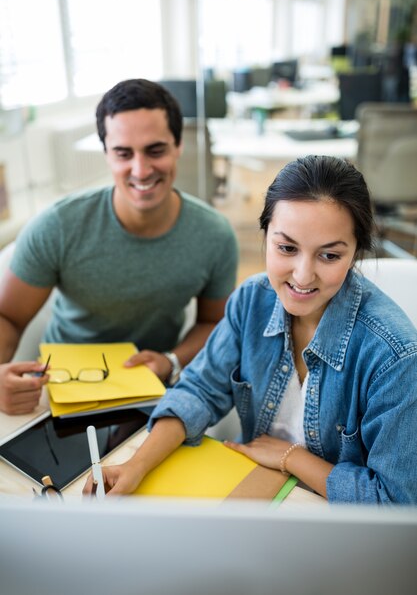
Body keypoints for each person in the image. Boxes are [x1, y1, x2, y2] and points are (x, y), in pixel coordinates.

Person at [84, 155, 417, 504]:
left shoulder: (396, 357)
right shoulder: (252, 301)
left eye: (329, 256)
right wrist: (135, 466)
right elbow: (198, 390)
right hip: (256, 496)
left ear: (356, 252)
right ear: (266, 234)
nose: (302, 276)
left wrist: (292, 458)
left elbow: (396, 502)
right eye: (287, 248)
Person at [0, 78, 238, 415]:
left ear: (178, 145)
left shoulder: (214, 234)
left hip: (152, 394)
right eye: (123, 153)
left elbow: (215, 323)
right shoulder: (58, 226)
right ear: (107, 154)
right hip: (62, 395)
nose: (141, 170)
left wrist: (172, 361)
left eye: (155, 150)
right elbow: (7, 316)